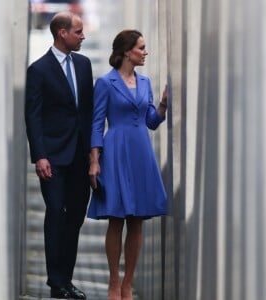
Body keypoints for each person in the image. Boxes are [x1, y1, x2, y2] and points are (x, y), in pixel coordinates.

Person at [88, 29, 168, 300]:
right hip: (116, 150)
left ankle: (128, 284)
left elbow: (151, 122)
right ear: (126, 51)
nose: (145, 52)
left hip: (141, 152)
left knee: (137, 220)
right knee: (116, 218)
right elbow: (97, 123)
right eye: (141, 48)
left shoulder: (145, 82)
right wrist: (95, 160)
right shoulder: (106, 83)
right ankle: (113, 282)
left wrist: (163, 107)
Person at [25, 11, 93, 299]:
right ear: (61, 33)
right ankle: (55, 283)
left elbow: (88, 112)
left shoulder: (84, 64)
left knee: (75, 216)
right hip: (52, 157)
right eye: (78, 31)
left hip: (80, 156)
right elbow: (33, 116)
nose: (83, 36)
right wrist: (39, 155)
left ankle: (66, 279)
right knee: (56, 213)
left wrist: (94, 154)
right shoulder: (39, 70)